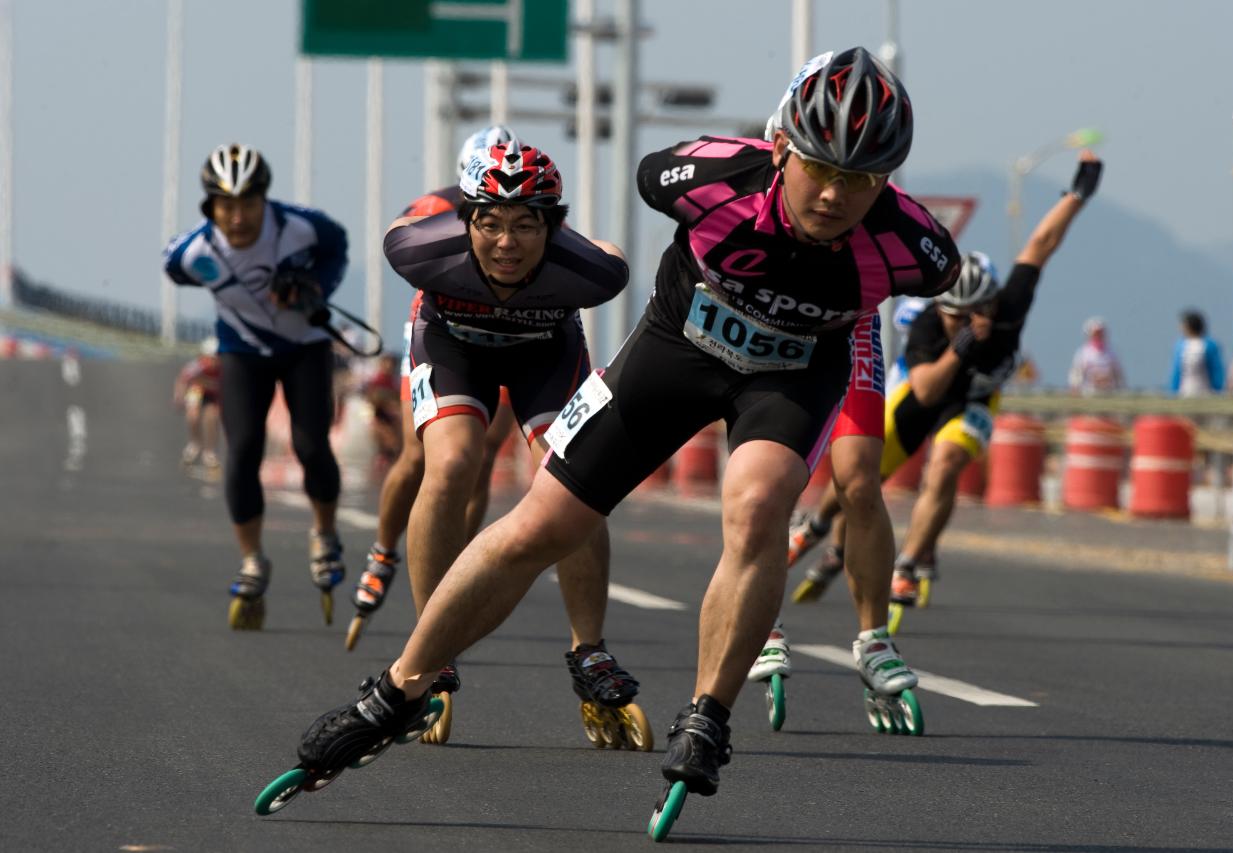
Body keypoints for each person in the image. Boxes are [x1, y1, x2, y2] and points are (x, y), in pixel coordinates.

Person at [266, 48, 957, 819]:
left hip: (789, 379)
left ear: (887, 182)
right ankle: (394, 695)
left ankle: (708, 715)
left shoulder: (914, 250)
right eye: (819, 167)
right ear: (782, 147)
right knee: (541, 523)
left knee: (759, 503)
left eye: (860, 179)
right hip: (675, 354)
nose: (833, 193)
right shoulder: (704, 179)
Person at [360, 136, 646, 747]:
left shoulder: (591, 272)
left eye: (526, 226)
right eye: (488, 224)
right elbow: (400, 226)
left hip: (545, 351)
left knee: (573, 478)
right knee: (453, 462)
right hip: (452, 345)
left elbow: (611, 255)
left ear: (554, 229)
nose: (506, 243)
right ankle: (430, 653)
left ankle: (589, 652)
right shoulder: (420, 251)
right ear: (465, 221)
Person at [788, 151, 1103, 620]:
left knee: (948, 463)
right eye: (956, 314)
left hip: (973, 400)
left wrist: (1077, 194)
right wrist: (960, 346)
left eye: (978, 312)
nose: (968, 320)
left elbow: (1041, 243)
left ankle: (911, 561)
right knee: (859, 475)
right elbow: (927, 392)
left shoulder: (1008, 306)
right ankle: (817, 525)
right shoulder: (929, 327)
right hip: (925, 392)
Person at [346, 126, 519, 651]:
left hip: (513, 336)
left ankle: (453, 570)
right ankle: (383, 550)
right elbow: (401, 241)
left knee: (485, 453)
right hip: (444, 333)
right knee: (418, 456)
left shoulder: (530, 204)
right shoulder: (435, 205)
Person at [163, 143, 349, 630]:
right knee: (242, 449)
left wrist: (312, 282)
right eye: (227, 207)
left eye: (248, 204)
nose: (239, 217)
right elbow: (171, 266)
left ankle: (324, 536)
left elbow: (337, 245)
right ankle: (252, 560)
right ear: (210, 208)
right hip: (242, 352)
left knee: (311, 445)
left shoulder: (299, 226)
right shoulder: (193, 251)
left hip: (305, 345)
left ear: (264, 200)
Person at [174, 337, 222, 474]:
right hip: (197, 389)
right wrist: (179, 396)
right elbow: (182, 380)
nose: (212, 362)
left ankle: (209, 451)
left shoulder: (223, 366)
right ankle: (194, 443)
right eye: (210, 358)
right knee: (192, 415)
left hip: (213, 393)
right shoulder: (198, 365)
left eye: (215, 358)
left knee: (212, 417)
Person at [1169, 309, 1224, 396]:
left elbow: (1216, 370)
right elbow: (1177, 372)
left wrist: (1217, 389)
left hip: (1205, 392)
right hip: (1184, 392)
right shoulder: (1180, 345)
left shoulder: (1209, 345)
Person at [1068, 316, 1124, 394]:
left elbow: (1119, 375)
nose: (1099, 336)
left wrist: (1121, 390)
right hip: (1088, 393)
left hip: (1110, 393)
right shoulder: (1083, 353)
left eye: (1101, 333)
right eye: (1096, 334)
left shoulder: (1112, 352)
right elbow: (1076, 376)